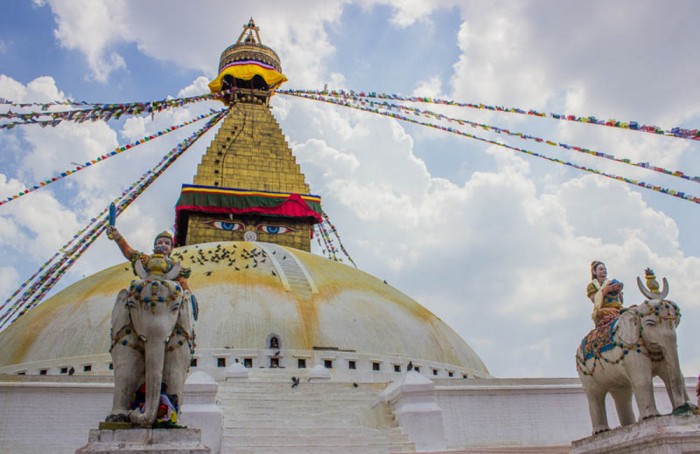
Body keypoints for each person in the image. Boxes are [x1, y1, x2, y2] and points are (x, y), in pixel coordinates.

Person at [106, 226, 191, 292]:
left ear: (172, 248)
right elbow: (130, 253)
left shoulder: (174, 266)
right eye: (159, 242)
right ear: (155, 246)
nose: (163, 245)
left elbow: (183, 284)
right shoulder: (145, 259)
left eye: (167, 243)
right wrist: (118, 238)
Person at [586, 261, 623, 325]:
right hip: (604, 311)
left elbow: (621, 301)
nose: (604, 271)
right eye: (601, 269)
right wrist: (606, 290)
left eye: (605, 269)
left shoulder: (610, 283)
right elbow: (594, 299)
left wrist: (618, 290)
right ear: (594, 272)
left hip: (618, 309)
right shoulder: (592, 286)